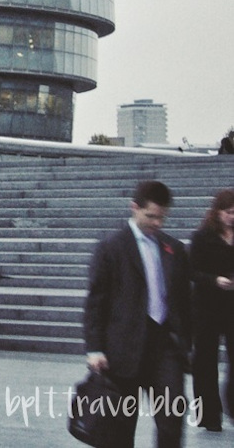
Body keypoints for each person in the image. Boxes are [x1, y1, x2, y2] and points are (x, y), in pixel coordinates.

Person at [83, 180, 191, 448]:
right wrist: (94, 348)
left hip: (164, 348)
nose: (158, 223)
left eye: (162, 217)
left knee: (172, 418)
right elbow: (96, 301)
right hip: (123, 351)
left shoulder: (173, 248)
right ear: (134, 208)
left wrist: (185, 341)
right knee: (120, 428)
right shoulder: (111, 247)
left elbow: (183, 299)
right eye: (151, 216)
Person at [189, 189, 234, 432]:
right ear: (217, 212)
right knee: (205, 363)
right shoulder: (202, 236)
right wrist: (214, 280)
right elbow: (192, 271)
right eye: (229, 213)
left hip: (232, 306)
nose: (232, 217)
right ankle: (209, 416)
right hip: (206, 307)